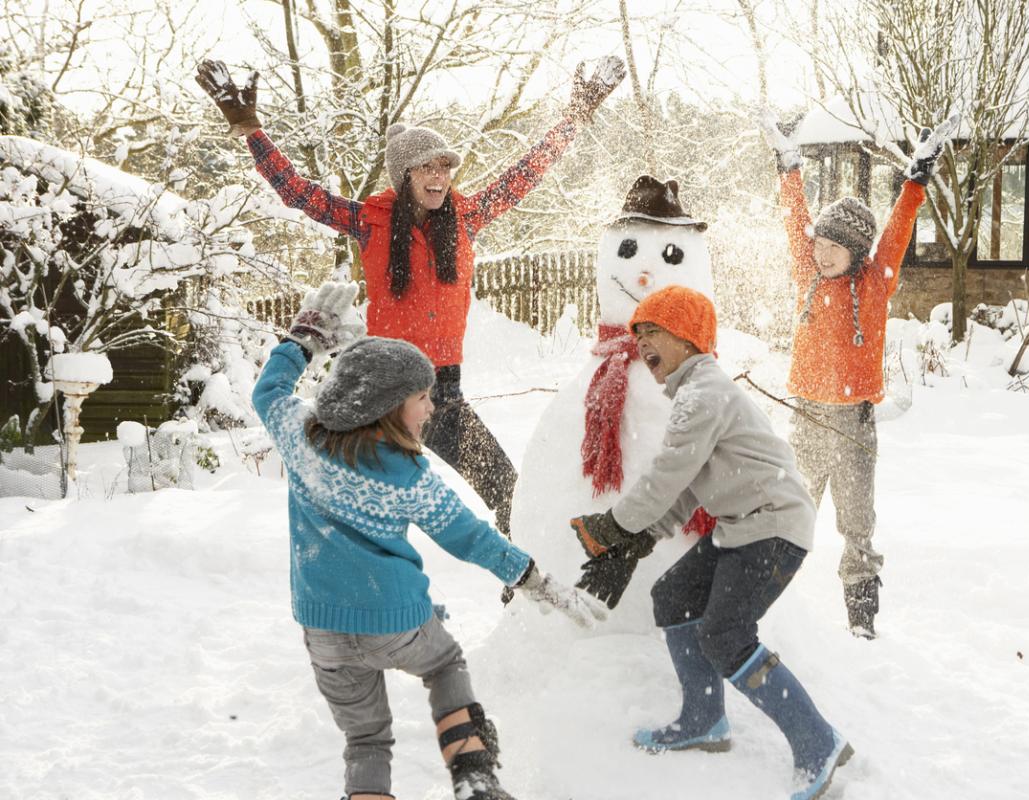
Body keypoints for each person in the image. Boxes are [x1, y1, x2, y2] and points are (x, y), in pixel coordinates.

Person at [198, 56, 625, 541]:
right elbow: (298, 193)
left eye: (445, 166)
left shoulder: (467, 217)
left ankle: (522, 582)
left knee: (508, 491)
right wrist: (252, 130)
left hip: (443, 389)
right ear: (404, 175)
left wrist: (575, 118)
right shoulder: (369, 221)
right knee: (366, 509)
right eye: (427, 166)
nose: (440, 175)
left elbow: (524, 175)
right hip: (381, 388)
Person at [251, 282, 604, 800]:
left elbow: (269, 392)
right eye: (422, 397)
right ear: (388, 407)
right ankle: (475, 779)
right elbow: (471, 537)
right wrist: (534, 579)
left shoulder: (300, 434)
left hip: (322, 626)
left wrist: (304, 339)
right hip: (398, 621)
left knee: (367, 740)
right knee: (444, 666)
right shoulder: (408, 475)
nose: (431, 408)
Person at [567, 286, 852, 800]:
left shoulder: (705, 393)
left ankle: (818, 742)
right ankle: (704, 719)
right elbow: (684, 487)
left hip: (772, 527)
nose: (641, 343)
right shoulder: (695, 394)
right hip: (743, 526)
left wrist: (612, 528)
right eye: (636, 334)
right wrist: (637, 543)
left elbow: (666, 476)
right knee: (673, 596)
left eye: (652, 330)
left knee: (726, 634)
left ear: (687, 337)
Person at [759, 110, 953, 638]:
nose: (820, 254)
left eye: (833, 247)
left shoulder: (874, 284)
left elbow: (896, 231)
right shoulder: (807, 271)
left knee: (856, 524)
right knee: (787, 517)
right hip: (805, 418)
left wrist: (918, 176)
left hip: (853, 421)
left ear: (856, 253)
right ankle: (767, 610)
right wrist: (787, 161)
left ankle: (861, 620)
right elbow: (793, 217)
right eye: (818, 244)